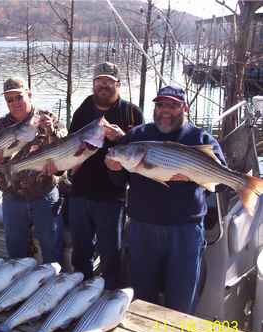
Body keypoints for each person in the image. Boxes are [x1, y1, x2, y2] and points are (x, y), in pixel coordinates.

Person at [104, 84, 226, 314]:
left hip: (186, 232)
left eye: (172, 105)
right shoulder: (137, 136)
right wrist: (113, 168)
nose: (165, 111)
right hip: (142, 230)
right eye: (160, 105)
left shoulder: (200, 138)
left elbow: (219, 185)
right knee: (141, 299)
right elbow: (118, 183)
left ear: (185, 108)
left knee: (181, 302)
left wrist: (192, 178)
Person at [68, 62, 143, 289]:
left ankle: (110, 295)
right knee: (81, 251)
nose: (103, 85)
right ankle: (81, 293)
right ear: (93, 84)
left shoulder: (131, 112)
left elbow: (142, 153)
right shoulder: (84, 108)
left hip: (112, 196)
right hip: (80, 192)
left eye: (109, 81)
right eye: (99, 81)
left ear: (118, 84)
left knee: (111, 252)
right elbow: (72, 145)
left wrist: (121, 138)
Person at [0, 77, 66, 264]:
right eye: (9, 100)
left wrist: (51, 132)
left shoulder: (49, 119)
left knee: (51, 250)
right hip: (12, 197)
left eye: (19, 97)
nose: (15, 103)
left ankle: (53, 287)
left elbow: (65, 152)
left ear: (29, 94)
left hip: (44, 196)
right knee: (16, 253)